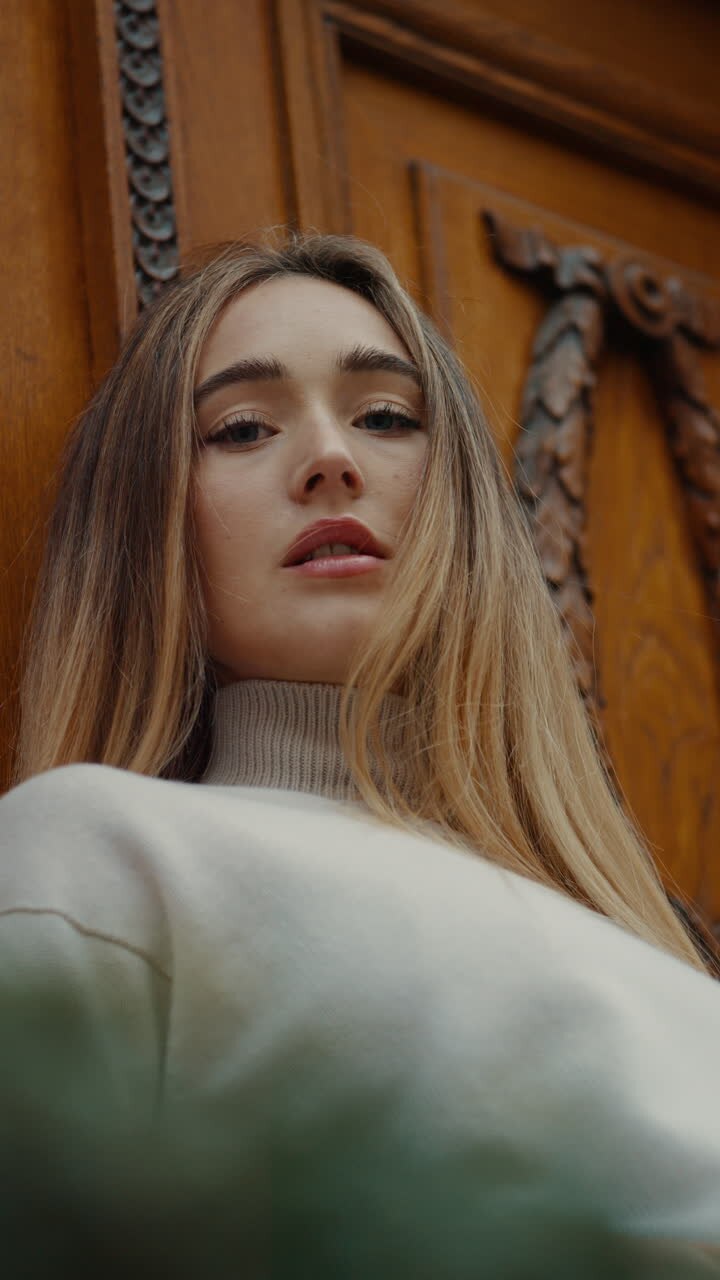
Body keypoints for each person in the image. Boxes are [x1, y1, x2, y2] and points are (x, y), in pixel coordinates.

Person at [2, 229, 720, 1265]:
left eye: (385, 416)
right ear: (148, 527)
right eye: (242, 428)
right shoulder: (98, 853)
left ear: (463, 506)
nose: (330, 459)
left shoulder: (662, 971)